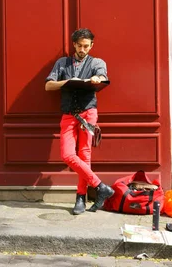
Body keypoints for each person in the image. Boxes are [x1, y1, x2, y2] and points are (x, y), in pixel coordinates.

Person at [45, 28, 114, 215]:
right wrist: (67, 82)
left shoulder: (97, 62)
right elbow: (48, 85)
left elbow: (103, 77)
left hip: (88, 114)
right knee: (67, 155)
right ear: (74, 44)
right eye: (80, 45)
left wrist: (96, 78)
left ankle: (80, 198)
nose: (83, 49)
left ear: (91, 45)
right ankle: (100, 186)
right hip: (68, 114)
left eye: (86, 46)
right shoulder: (62, 63)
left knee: (85, 155)